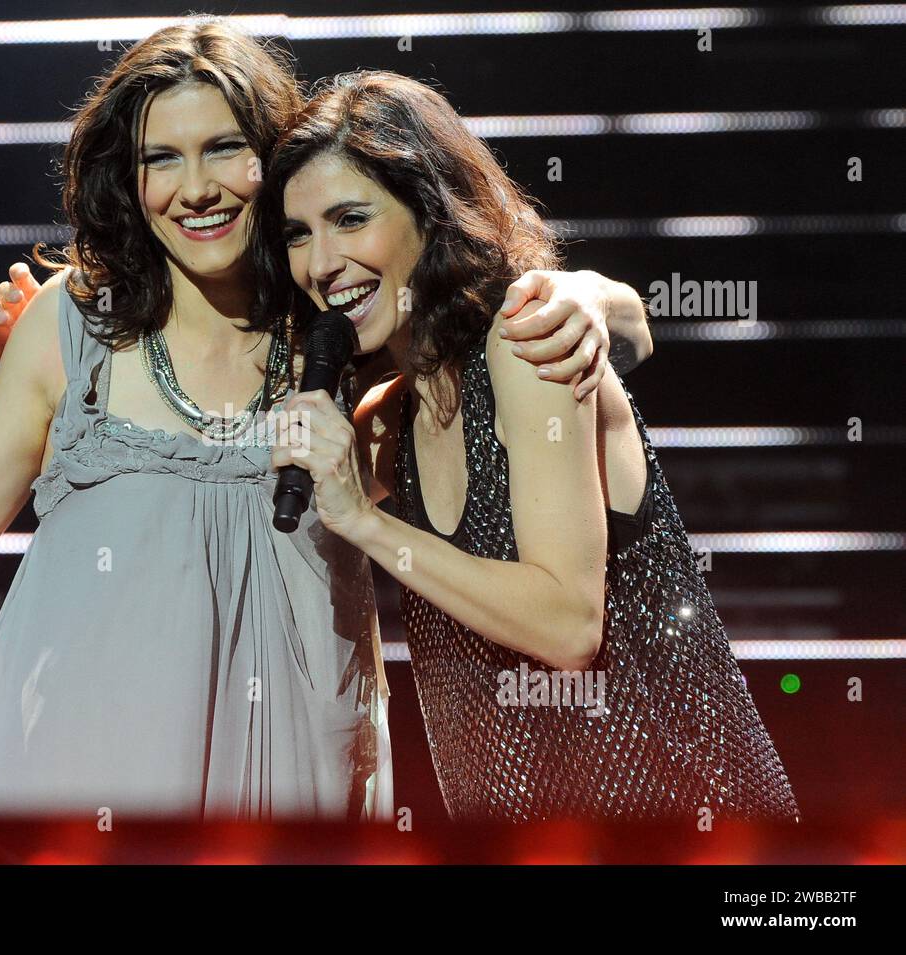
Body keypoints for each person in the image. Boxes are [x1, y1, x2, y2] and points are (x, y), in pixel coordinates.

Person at [0, 21, 651, 821]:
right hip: (65, 758)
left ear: (277, 160)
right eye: (160, 158)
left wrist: (596, 299)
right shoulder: (69, 325)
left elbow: (506, 323)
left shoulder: (337, 316)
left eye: (225, 149)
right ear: (129, 180)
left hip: (291, 764)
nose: (195, 187)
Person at [255, 71, 800, 822]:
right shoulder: (386, 421)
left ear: (430, 210)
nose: (321, 263)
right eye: (298, 234)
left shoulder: (522, 349)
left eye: (350, 218)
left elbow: (568, 625)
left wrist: (366, 520)